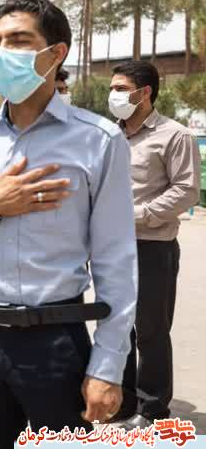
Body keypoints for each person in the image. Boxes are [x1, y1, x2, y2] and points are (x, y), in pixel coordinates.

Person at [0, 0, 138, 448]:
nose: (3, 52)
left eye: (19, 40)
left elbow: (116, 263)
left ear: (55, 53)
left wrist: (108, 366)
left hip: (56, 339)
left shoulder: (98, 141)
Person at [108, 61, 201, 428]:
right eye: (112, 88)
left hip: (151, 247)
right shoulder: (109, 136)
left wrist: (137, 215)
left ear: (144, 93)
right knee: (117, 328)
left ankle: (152, 409)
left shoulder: (175, 135)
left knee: (151, 331)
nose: (113, 95)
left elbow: (186, 191)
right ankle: (123, 402)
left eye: (120, 88)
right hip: (111, 248)